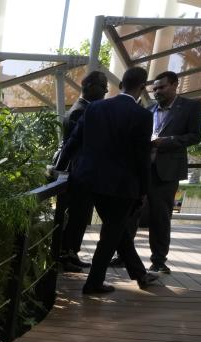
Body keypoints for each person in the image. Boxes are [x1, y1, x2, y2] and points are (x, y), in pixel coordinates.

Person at [57, 67, 159, 295]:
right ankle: (93, 283)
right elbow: (142, 157)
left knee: (117, 229)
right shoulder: (143, 115)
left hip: (91, 182)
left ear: (121, 83)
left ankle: (140, 274)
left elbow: (73, 141)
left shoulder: (95, 107)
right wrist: (144, 189)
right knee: (112, 233)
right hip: (123, 187)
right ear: (142, 88)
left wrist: (59, 168)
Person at [144, 70, 201, 273]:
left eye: (161, 87)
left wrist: (166, 141)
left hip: (166, 172)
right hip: (142, 170)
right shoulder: (148, 110)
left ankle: (159, 261)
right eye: (154, 88)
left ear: (175, 84)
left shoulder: (190, 107)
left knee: (160, 217)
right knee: (129, 214)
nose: (157, 91)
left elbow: (195, 136)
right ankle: (122, 255)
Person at [56, 70, 109, 272]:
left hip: (80, 173)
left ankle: (71, 252)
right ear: (89, 87)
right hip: (79, 174)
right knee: (77, 216)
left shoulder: (82, 109)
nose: (105, 91)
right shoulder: (81, 112)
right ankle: (66, 254)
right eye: (103, 87)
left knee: (79, 216)